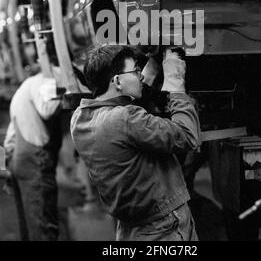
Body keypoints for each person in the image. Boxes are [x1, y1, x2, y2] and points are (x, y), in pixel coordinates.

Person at [70, 44, 201, 241]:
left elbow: (125, 114)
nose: (140, 76)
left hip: (130, 229)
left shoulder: (80, 118)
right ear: (117, 81)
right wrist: (175, 84)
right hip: (163, 227)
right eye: (135, 71)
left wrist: (149, 68)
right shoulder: (125, 119)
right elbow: (187, 136)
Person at [3, 61, 64, 241]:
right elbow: (46, 109)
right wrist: (65, 94)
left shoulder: (23, 88)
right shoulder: (47, 79)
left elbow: (9, 138)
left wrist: (6, 168)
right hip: (35, 161)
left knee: (31, 225)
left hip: (19, 161)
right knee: (44, 224)